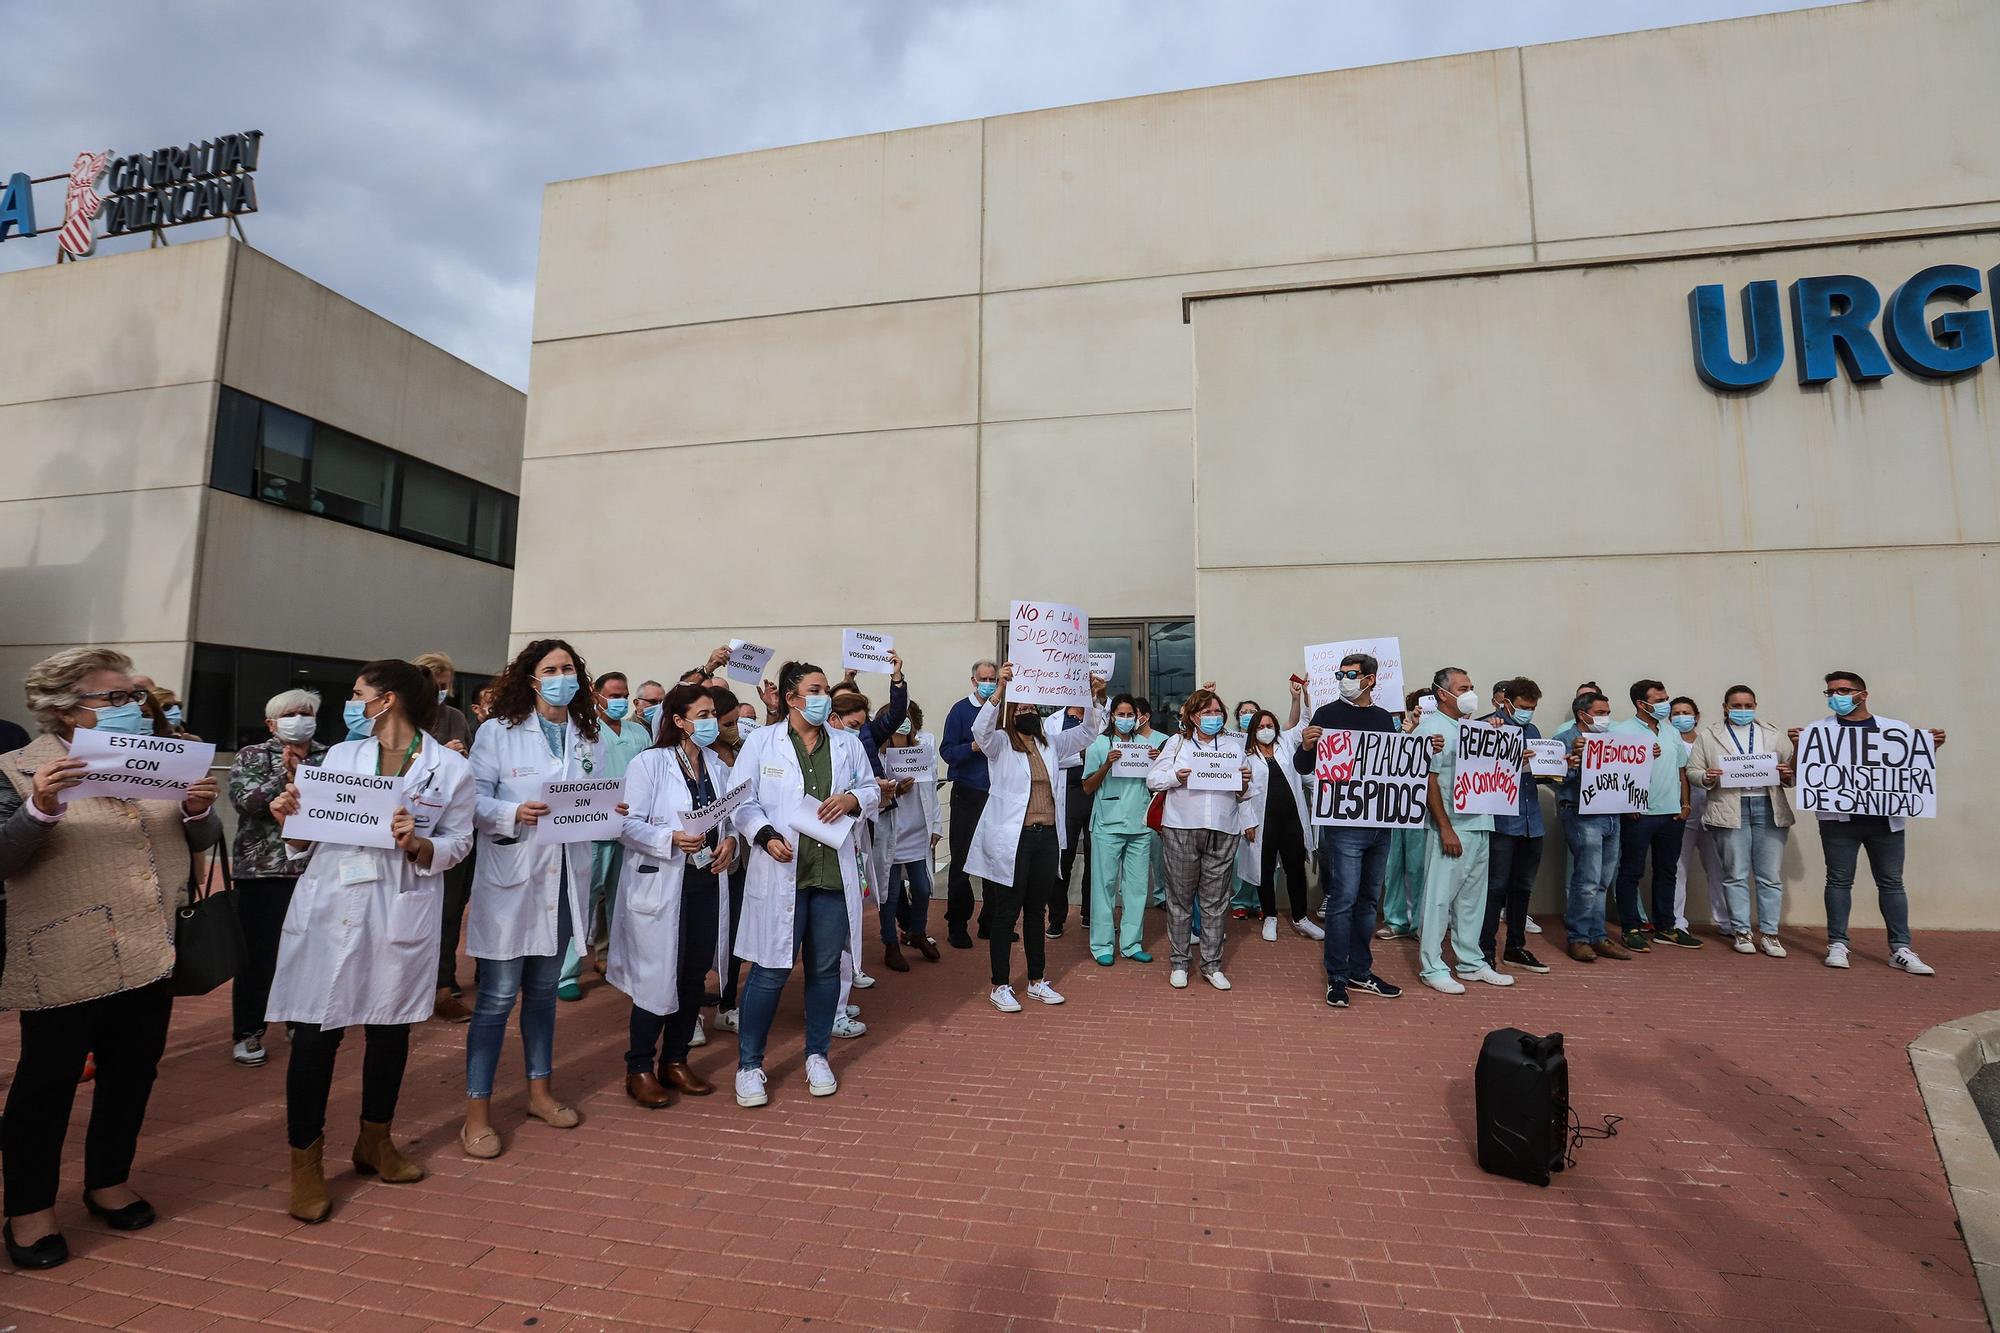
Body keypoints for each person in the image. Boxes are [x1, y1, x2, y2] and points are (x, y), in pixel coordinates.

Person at [0, 648, 223, 1269]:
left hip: (150, 947)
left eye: (135, 698)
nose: (135, 709)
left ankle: (107, 1181)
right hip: (65, 953)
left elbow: (198, 840)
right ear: (67, 709)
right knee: (45, 1087)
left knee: (133, 1073)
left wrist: (199, 811)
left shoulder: (161, 762)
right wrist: (41, 808)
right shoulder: (17, 769)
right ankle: (28, 1209)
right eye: (117, 699)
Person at [263, 660, 474, 1222]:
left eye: (359, 695)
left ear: (390, 699)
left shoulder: (449, 769)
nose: (352, 704)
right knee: (314, 1036)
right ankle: (304, 1164)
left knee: (388, 1030)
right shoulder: (340, 757)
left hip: (397, 907)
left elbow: (459, 842)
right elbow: (313, 832)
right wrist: (291, 815)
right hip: (332, 902)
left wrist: (420, 846)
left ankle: (374, 1141)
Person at [461, 639, 604, 1158]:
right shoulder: (497, 733)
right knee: (497, 997)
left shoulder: (589, 736)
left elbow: (597, 797)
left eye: (569, 668)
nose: (562, 676)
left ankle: (538, 1092)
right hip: (513, 874)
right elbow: (470, 798)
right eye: (552, 668)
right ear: (531, 678)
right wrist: (510, 814)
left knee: (543, 993)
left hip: (564, 879)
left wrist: (610, 809)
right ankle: (476, 1112)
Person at [728, 661, 881, 1106]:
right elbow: (742, 801)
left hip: (831, 875)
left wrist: (854, 797)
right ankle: (750, 1065)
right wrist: (764, 835)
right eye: (814, 690)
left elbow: (871, 790)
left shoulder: (847, 744)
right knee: (770, 971)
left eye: (825, 690)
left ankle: (817, 1054)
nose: (823, 698)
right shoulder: (761, 742)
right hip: (782, 871)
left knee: (824, 970)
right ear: (792, 698)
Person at [610, 683, 737, 1108]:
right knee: (655, 977)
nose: (708, 722)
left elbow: (728, 819)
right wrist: (670, 838)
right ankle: (639, 1067)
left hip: (703, 883)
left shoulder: (718, 767)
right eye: (700, 715)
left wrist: (730, 843)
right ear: (679, 721)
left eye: (711, 715)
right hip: (663, 882)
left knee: (693, 975)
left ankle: (676, 1060)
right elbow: (627, 825)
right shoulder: (650, 764)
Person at [967, 666, 1106, 1011]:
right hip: (1014, 841)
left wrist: (1089, 698)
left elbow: (1089, 731)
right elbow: (980, 730)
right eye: (1022, 709)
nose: (1028, 713)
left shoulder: (1052, 744)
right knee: (1006, 913)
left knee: (1036, 912)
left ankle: (1036, 981)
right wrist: (999, 689)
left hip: (1045, 839)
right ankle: (1000, 984)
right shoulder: (1000, 744)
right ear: (1010, 715)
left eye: (1033, 709)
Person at [1793, 672, 1945, 975]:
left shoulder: (1896, 730)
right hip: (1838, 821)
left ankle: (1900, 948)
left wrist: (1930, 747)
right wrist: (1798, 746)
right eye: (1831, 691)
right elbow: (1802, 775)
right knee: (1838, 880)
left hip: (1885, 821)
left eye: (1844, 690)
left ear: (1863, 694)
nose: (1837, 695)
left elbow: (1910, 769)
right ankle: (1837, 943)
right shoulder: (1818, 732)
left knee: (1891, 883)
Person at [1297, 656, 1406, 1007]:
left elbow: (1395, 767)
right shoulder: (1327, 714)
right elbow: (1303, 766)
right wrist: (1307, 745)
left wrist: (1421, 751)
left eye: (1351, 675)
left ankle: (1361, 970)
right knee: (1343, 900)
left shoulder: (1382, 719)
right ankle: (1337, 976)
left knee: (1369, 900)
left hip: (1380, 824)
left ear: (1370, 680)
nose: (1344, 679)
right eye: (1340, 674)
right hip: (1344, 826)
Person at [226, 689, 327, 1066]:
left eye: (306, 712)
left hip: (313, 868)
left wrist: (308, 776)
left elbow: (341, 805)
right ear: (271, 723)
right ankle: (249, 1031)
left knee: (307, 952)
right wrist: (285, 779)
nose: (300, 719)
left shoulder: (329, 755)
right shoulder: (252, 755)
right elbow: (245, 802)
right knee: (258, 956)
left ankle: (299, 1020)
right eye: (291, 714)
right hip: (262, 871)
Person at [1410, 668, 1514, 995]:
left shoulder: (1474, 728)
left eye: (1472, 686)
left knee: (1472, 901)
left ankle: (1471, 962)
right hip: (1452, 826)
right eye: (1463, 688)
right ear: (1443, 694)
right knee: (1438, 901)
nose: (1470, 692)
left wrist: (1510, 749)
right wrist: (1445, 828)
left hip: (1481, 823)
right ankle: (1432, 966)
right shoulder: (1431, 729)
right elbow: (1427, 781)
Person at [1147, 688, 1253, 991]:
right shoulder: (1177, 744)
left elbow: (1246, 794)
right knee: (1179, 899)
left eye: (1218, 712)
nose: (1214, 718)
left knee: (1216, 901)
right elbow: (1153, 780)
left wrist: (1244, 784)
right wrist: (1175, 777)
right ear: (1194, 716)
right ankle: (1180, 962)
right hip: (1182, 828)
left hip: (1223, 829)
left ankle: (1212, 965)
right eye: (1207, 713)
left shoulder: (1234, 747)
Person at [557, 670, 653, 1001]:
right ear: (597, 695)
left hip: (629, 828)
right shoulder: (585, 731)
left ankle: (610, 960)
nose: (620, 701)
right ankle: (566, 971)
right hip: (594, 828)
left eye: (624, 695)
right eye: (613, 695)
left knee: (621, 899)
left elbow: (649, 773)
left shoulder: (637, 732)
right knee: (583, 900)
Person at [1687, 687, 1794, 957]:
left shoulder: (1772, 733)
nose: (1742, 710)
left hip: (1768, 807)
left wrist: (1786, 772)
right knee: (1735, 874)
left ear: (1756, 705)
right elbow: (1693, 771)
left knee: (1769, 875)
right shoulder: (1709, 736)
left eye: (1748, 705)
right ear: (1725, 706)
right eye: (1737, 705)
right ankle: (1742, 931)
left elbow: (1791, 770)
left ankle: (1770, 934)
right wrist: (1707, 777)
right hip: (1729, 807)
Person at [413, 652, 476, 1023]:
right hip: (407, 836)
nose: (439, 693)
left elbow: (469, 769)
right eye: (432, 686)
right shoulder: (394, 721)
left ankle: (443, 984)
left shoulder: (454, 718)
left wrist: (459, 757)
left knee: (449, 913)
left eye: (443, 686)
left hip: (448, 831)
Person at [1611, 680, 1694, 951]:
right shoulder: (1620, 730)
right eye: (1659, 700)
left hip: (1672, 814)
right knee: (1632, 871)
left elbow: (1682, 771)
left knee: (1667, 870)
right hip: (1639, 813)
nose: (1664, 704)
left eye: (1665, 698)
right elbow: (1612, 770)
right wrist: (1625, 803)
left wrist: (1685, 805)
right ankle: (1631, 927)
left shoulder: (1670, 732)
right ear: (1641, 703)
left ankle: (1666, 926)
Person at [1480, 678, 1551, 975]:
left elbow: (1541, 773)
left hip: (1531, 819)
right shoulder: (1487, 727)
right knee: (1494, 888)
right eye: (1523, 707)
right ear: (1506, 702)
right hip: (1502, 821)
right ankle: (1484, 951)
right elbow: (1476, 772)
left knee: (1523, 886)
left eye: (1532, 708)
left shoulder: (1532, 731)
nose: (1528, 712)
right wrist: (1510, 759)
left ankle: (1515, 946)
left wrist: (1557, 764)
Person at [1082, 695, 1160, 966]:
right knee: (1104, 886)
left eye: (1131, 715)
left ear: (1138, 718)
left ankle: (1131, 943)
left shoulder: (1146, 746)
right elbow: (1087, 787)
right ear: (1112, 716)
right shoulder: (1099, 745)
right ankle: (1102, 944)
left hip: (1139, 824)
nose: (1126, 719)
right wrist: (1107, 764)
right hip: (1108, 823)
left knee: (1137, 887)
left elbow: (1157, 784)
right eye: (1121, 714)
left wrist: (1157, 761)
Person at [1238, 683, 1319, 943]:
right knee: (1264, 869)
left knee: (1295, 868)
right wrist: (1248, 822)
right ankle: (1270, 916)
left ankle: (1301, 919)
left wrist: (1300, 697)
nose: (1265, 730)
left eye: (1269, 726)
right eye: (1260, 727)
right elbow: (1240, 793)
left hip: (1292, 820)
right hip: (1263, 822)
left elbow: (1304, 722)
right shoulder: (1244, 754)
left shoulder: (1286, 741)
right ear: (1253, 731)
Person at [1553, 690, 1629, 963]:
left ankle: (1598, 935)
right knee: (1586, 880)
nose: (1605, 718)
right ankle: (1578, 938)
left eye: (1607, 712)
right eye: (1600, 713)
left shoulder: (1612, 741)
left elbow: (1627, 773)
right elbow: (1552, 779)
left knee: (1602, 881)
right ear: (1582, 714)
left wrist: (1646, 757)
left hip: (1611, 815)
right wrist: (1572, 762)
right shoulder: (1563, 741)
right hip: (1581, 815)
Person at [939, 660, 1000, 949]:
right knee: (962, 861)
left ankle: (991, 922)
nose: (988, 683)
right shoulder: (960, 711)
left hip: (997, 795)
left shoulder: (1002, 709)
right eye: (983, 679)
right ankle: (957, 924)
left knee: (996, 859)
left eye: (993, 678)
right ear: (973, 681)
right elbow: (947, 751)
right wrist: (972, 747)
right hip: (968, 793)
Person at [879, 705, 942, 966]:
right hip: (892, 833)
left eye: (906, 720)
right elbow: (875, 796)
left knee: (922, 887)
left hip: (918, 832)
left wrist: (936, 826)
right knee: (891, 894)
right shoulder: (880, 757)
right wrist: (896, 794)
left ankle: (918, 932)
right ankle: (891, 943)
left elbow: (932, 792)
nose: (903, 724)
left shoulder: (922, 752)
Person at [1376, 688, 1433, 941]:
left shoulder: (1427, 731)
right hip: (1389, 807)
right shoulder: (1385, 728)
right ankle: (1396, 920)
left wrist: (1418, 732)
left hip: (1419, 809)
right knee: (1392, 866)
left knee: (1419, 866)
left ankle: (1420, 922)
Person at [1670, 697, 1728, 939]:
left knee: (1719, 869)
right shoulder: (1667, 742)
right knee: (1678, 870)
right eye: (1676, 713)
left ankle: (1726, 920)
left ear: (1697, 715)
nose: (1681, 716)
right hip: (1681, 815)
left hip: (1712, 812)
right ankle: (1677, 920)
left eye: (1686, 712)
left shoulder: (1709, 741)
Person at [1048, 703, 1092, 939]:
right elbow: (1050, 755)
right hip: (1069, 793)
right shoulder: (1054, 721)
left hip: (1096, 793)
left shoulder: (1099, 715)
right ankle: (1056, 917)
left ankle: (1090, 914)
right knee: (1063, 858)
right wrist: (1081, 754)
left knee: (1096, 858)